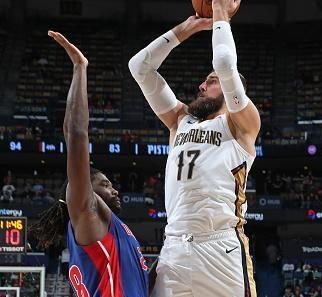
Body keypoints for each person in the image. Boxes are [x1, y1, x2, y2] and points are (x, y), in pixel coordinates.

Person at [128, 0, 260, 296]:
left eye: (211, 82)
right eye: (204, 81)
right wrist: (183, 30)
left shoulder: (242, 125)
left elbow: (225, 65)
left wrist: (220, 13)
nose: (202, 85)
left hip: (221, 250)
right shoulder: (180, 121)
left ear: (230, 90)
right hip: (174, 249)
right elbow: (139, 67)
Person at [31, 31, 148, 296]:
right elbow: (75, 134)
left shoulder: (113, 231)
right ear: (87, 191)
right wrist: (80, 68)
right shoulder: (87, 215)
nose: (115, 189)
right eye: (105, 184)